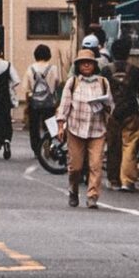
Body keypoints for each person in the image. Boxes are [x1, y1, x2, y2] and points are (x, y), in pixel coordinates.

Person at [54, 38, 115, 208]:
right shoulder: (72, 83)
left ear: (94, 65)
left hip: (97, 129)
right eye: (83, 63)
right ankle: (73, 189)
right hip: (76, 128)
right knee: (75, 166)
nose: (86, 66)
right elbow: (64, 105)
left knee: (95, 164)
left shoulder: (103, 83)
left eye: (89, 63)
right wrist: (61, 125)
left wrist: (105, 106)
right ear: (78, 66)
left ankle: (92, 196)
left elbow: (110, 105)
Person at [112, 56, 139, 191]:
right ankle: (127, 180)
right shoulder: (135, 71)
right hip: (131, 111)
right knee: (129, 145)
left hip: (112, 113)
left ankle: (113, 180)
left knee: (113, 145)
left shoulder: (106, 71)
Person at [25, 43, 62, 156]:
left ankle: (36, 149)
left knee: (34, 127)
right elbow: (58, 83)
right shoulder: (53, 68)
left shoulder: (30, 69)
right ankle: (49, 144)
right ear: (48, 55)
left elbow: (27, 88)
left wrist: (27, 103)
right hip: (49, 101)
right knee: (50, 125)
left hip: (34, 102)